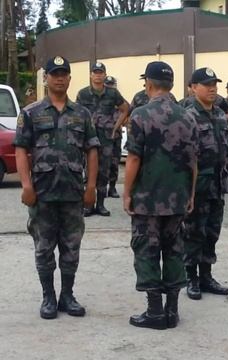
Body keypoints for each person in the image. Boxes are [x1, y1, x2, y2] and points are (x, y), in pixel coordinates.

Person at [14, 56, 100, 319]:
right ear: (46, 78)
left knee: (71, 248)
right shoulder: (31, 113)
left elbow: (92, 151)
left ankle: (67, 295)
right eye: (55, 74)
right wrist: (26, 185)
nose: (59, 78)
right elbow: (20, 150)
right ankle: (48, 297)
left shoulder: (82, 114)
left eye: (64, 74)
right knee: (43, 248)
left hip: (73, 193)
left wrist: (91, 187)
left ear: (70, 78)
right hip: (43, 193)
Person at [123, 61, 198, 330]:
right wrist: (190, 194)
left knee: (147, 250)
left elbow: (133, 158)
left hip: (148, 199)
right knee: (175, 250)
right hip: (178, 198)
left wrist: (127, 193)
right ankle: (172, 311)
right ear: (172, 84)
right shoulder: (188, 116)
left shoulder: (140, 115)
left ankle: (155, 311)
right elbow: (193, 161)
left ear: (149, 84)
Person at [183, 67, 228, 300]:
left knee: (212, 231)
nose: (212, 88)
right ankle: (191, 277)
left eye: (214, 83)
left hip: (217, 185)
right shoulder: (187, 115)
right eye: (206, 84)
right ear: (193, 88)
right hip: (197, 187)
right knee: (193, 232)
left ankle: (206, 275)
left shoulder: (221, 115)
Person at [75, 61, 129, 216]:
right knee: (87, 170)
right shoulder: (83, 93)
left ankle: (101, 205)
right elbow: (77, 113)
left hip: (106, 138)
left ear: (104, 75)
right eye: (95, 72)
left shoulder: (112, 93)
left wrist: (116, 127)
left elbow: (125, 109)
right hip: (89, 137)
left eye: (100, 73)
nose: (98, 75)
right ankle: (88, 205)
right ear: (91, 75)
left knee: (104, 171)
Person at [104, 76, 127, 198]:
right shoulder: (102, 100)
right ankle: (101, 188)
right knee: (102, 164)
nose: (109, 86)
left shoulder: (119, 100)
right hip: (102, 136)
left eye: (111, 84)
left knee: (114, 162)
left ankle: (112, 188)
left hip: (115, 136)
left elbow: (128, 111)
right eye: (107, 84)